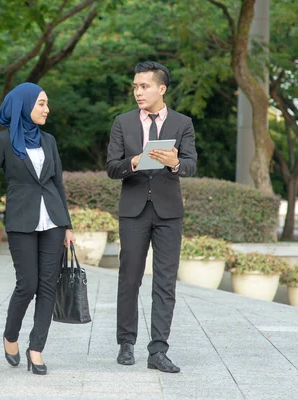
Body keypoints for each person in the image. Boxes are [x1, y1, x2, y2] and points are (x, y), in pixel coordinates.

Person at [0, 82, 75, 376]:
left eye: (47, 104)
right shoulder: (3, 140)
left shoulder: (49, 141)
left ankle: (36, 349)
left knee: (49, 285)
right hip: (22, 220)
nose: (47, 109)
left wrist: (68, 226)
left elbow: (57, 183)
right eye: (41, 104)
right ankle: (11, 335)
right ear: (24, 105)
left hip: (53, 221)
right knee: (28, 284)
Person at [106, 61, 197, 373]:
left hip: (169, 212)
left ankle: (158, 350)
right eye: (135, 87)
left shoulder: (183, 123)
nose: (138, 92)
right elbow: (111, 167)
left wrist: (174, 163)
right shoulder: (123, 123)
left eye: (143, 86)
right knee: (129, 278)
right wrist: (132, 162)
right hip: (133, 211)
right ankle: (126, 342)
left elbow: (191, 164)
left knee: (165, 283)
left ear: (162, 88)